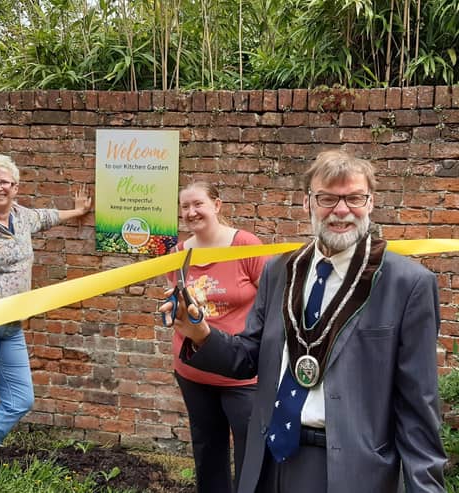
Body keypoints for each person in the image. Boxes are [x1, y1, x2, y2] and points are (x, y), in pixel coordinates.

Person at [160, 150, 446, 493]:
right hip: (269, 460)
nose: (341, 210)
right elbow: (249, 357)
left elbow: (419, 407)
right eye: (327, 198)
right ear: (307, 202)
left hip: (351, 469)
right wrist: (201, 333)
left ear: (370, 203)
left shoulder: (407, 284)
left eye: (354, 198)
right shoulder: (280, 271)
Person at [0, 153, 92, 493]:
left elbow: (47, 216)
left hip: (11, 330)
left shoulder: (22, 218)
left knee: (20, 399)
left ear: (15, 187)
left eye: (4, 182)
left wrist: (78, 212)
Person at [167, 181, 267, 493]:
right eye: (185, 207)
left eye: (198, 204)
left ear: (217, 205)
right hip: (193, 371)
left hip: (242, 376)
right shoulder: (178, 254)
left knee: (252, 453)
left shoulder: (246, 245)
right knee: (207, 450)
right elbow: (177, 302)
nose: (191, 212)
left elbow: (271, 300)